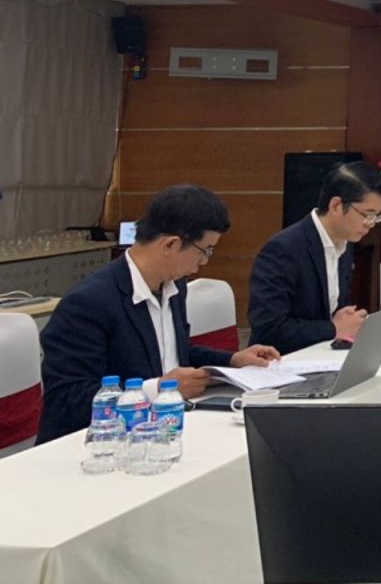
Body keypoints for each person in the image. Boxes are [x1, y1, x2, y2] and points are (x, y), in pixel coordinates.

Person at [38, 185, 279, 443]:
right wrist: (158, 389)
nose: (204, 262)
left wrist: (232, 360)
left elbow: (171, 352)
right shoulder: (88, 302)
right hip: (96, 444)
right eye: (205, 251)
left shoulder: (174, 287)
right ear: (170, 244)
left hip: (161, 430)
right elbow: (68, 397)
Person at [248, 161, 381, 354]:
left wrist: (349, 321)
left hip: (322, 354)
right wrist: (333, 328)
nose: (371, 224)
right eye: (367, 215)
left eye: (377, 216)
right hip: (281, 360)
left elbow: (334, 313)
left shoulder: (345, 243)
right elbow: (268, 328)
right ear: (336, 205)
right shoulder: (284, 249)